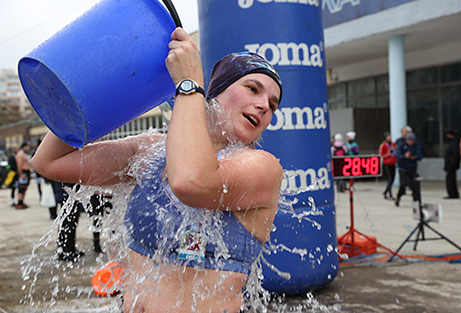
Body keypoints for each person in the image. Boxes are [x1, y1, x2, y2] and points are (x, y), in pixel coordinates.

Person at [31, 27, 283, 312]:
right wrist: (88, 89)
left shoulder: (262, 168)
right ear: (218, 90)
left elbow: (190, 182)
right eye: (253, 89)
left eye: (273, 105)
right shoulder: (149, 152)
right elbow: (49, 162)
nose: (264, 106)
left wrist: (188, 85)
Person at [395, 132, 423, 207]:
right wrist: (404, 156)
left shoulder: (416, 146)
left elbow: (420, 155)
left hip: (412, 168)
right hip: (403, 168)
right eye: (409, 140)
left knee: (415, 185)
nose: (411, 142)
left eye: (412, 141)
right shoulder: (402, 145)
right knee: (403, 184)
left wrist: (415, 156)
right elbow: (398, 156)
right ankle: (398, 197)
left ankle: (417, 201)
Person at [379, 132, 396, 200]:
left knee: (392, 179)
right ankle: (390, 194)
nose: (390, 138)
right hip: (386, 164)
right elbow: (381, 155)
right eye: (388, 137)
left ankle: (385, 192)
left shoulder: (393, 144)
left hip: (393, 163)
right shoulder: (383, 145)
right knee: (389, 178)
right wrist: (389, 154)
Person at [443, 130, 460, 199]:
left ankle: (452, 194)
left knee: (450, 180)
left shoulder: (454, 144)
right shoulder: (452, 143)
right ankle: (452, 193)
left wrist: (451, 165)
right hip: (450, 165)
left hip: (452, 165)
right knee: (450, 179)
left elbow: (455, 155)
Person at [15, 142, 31, 209]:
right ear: (24, 147)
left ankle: (22, 201)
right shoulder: (20, 154)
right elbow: (19, 164)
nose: (28, 148)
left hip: (27, 172)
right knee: (21, 188)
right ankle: (19, 202)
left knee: (25, 188)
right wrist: (21, 173)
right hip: (23, 172)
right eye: (27, 146)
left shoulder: (25, 153)